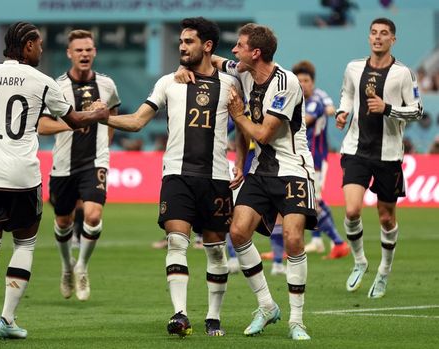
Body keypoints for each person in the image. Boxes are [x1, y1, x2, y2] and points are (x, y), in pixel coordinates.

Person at [0, 21, 109, 343]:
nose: (40, 49)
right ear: (26, 46)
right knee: (23, 245)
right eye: (38, 44)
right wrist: (97, 113)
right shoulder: (41, 80)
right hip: (23, 176)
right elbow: (74, 120)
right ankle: (7, 319)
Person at [103, 17, 244, 338]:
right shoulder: (170, 82)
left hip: (217, 177)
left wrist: (242, 161)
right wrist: (101, 118)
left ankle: (213, 317)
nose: (182, 46)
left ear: (207, 46)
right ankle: (179, 314)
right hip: (177, 176)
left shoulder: (230, 85)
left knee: (216, 251)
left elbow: (243, 127)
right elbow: (139, 121)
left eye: (189, 41)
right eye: (180, 41)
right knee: (176, 241)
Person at [176, 23, 317, 340]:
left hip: (293, 167)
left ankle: (297, 320)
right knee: (238, 232)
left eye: (239, 46)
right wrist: (181, 71)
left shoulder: (286, 83)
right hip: (260, 170)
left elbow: (264, 133)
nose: (234, 51)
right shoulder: (242, 70)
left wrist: (238, 114)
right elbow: (208, 58)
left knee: (293, 239)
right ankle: (267, 305)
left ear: (256, 53)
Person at [335, 18, 423, 298]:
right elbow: (347, 95)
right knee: (351, 211)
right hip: (355, 150)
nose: (377, 38)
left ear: (393, 40)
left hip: (388, 155)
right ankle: (360, 261)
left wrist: (387, 108)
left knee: (386, 218)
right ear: (369, 37)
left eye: (384, 34)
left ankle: (384, 272)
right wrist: (342, 112)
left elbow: (417, 111)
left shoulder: (404, 74)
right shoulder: (353, 67)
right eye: (374, 33)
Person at [37, 29, 121, 301]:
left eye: (88, 49)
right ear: (69, 54)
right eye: (79, 50)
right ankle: (66, 267)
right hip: (63, 164)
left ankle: (82, 266)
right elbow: (41, 124)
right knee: (63, 221)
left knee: (93, 215)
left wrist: (105, 143)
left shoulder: (107, 85)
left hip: (95, 160)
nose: (84, 54)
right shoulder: (56, 87)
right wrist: (76, 120)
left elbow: (113, 113)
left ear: (94, 52)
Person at [293, 60, 350, 259]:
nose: (302, 84)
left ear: (313, 82)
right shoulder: (301, 99)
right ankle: (318, 241)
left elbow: (304, 122)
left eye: (306, 80)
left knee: (314, 202)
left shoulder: (315, 101)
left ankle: (338, 242)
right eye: (299, 80)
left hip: (314, 160)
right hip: (300, 159)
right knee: (311, 202)